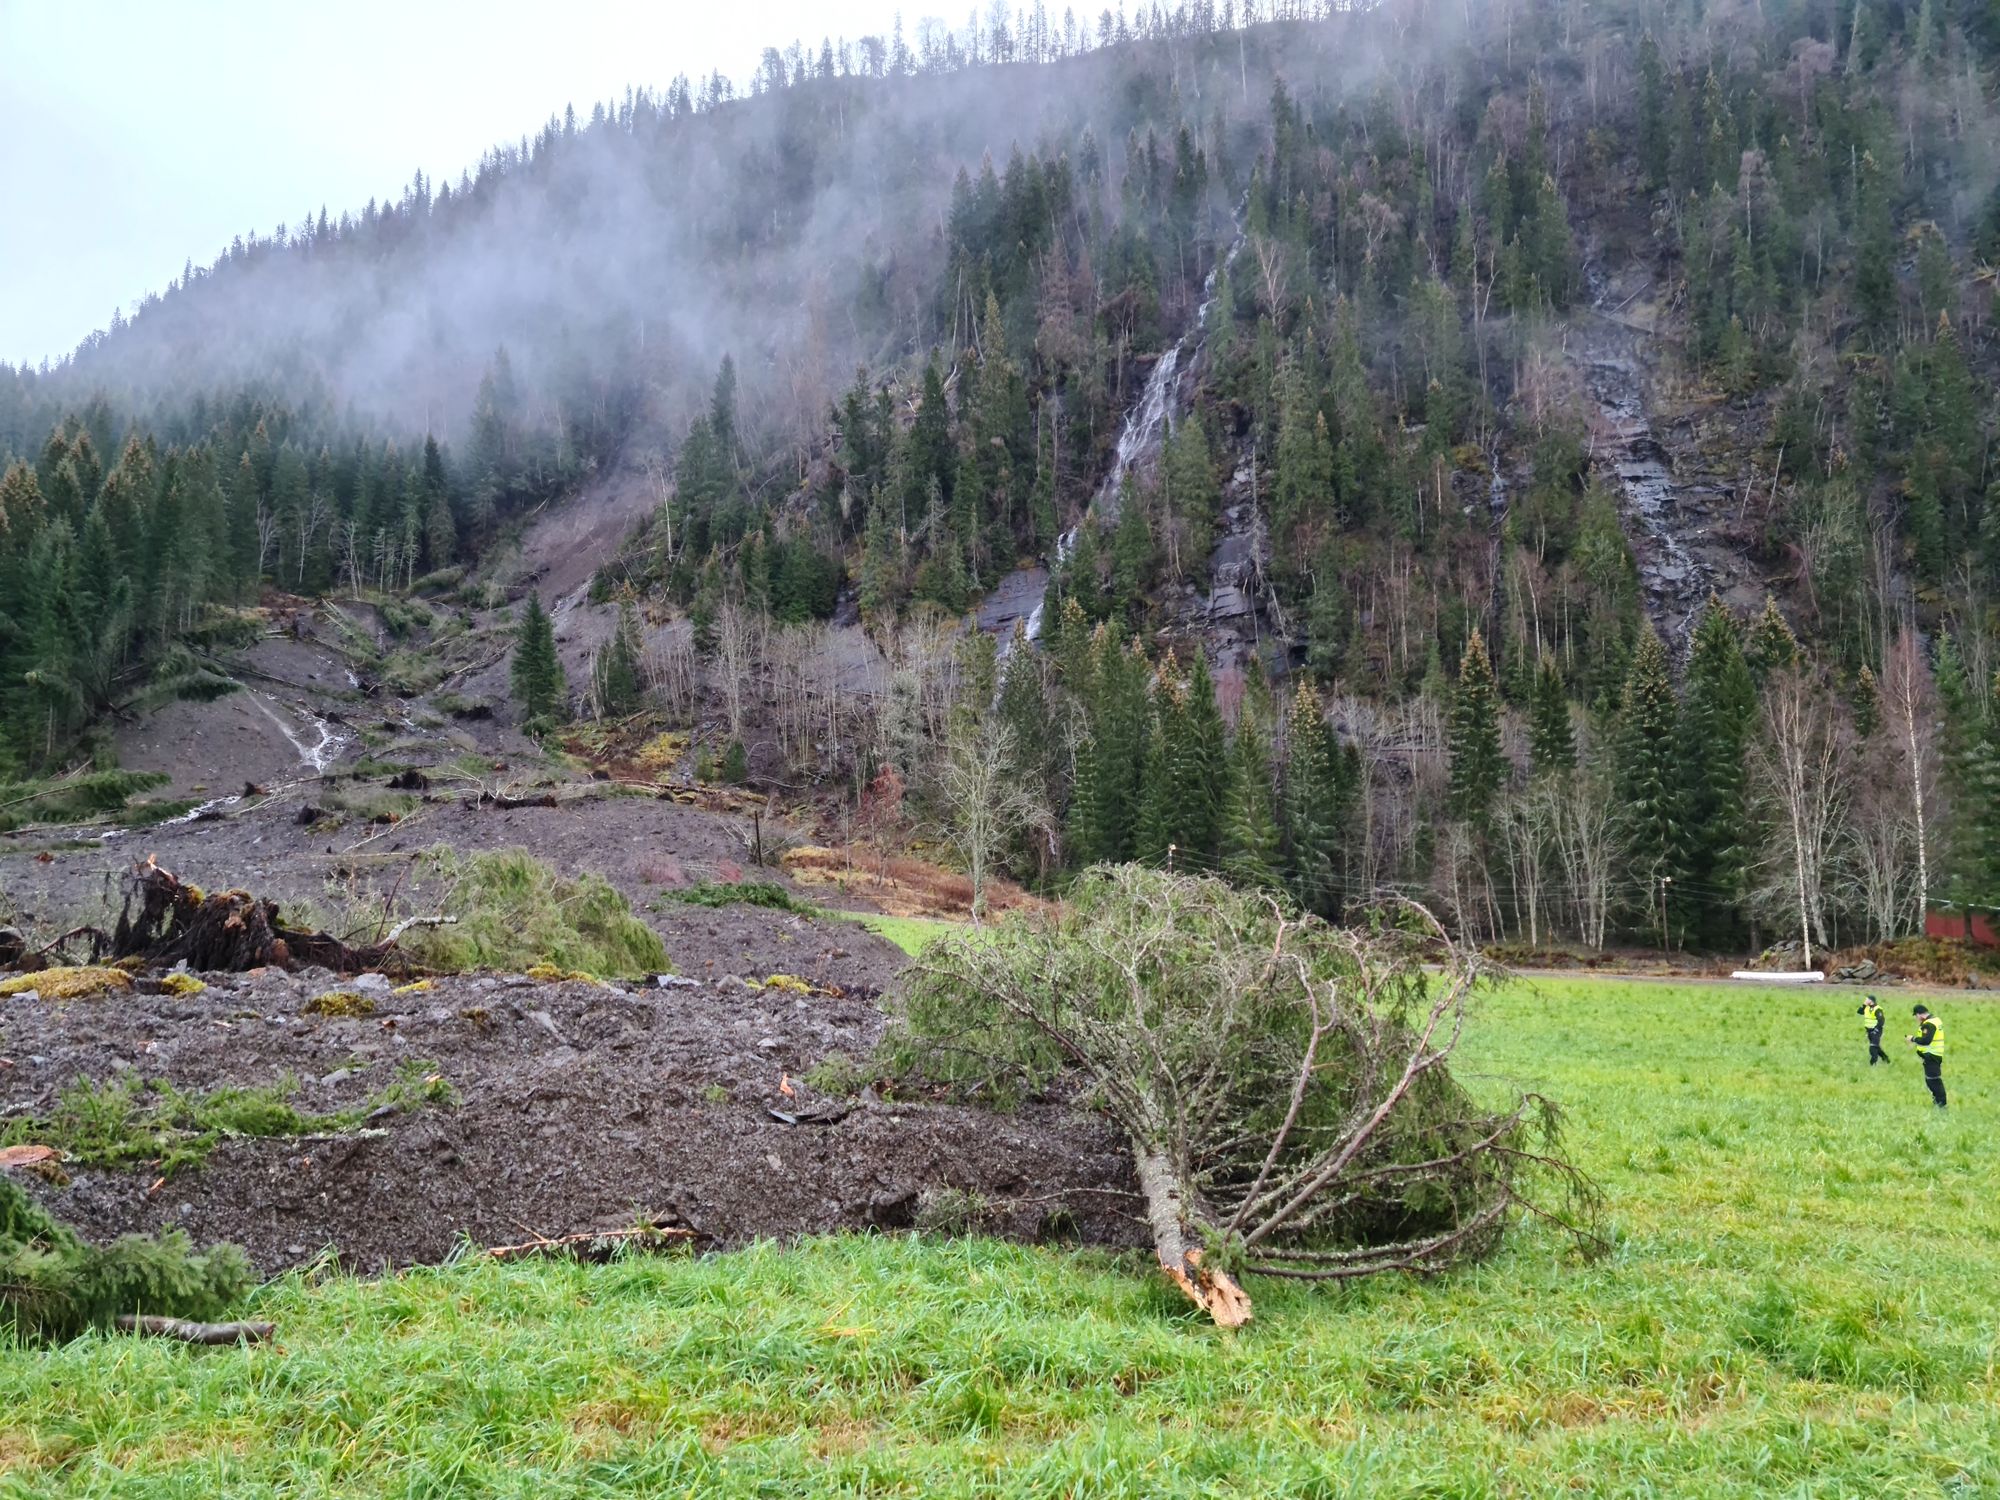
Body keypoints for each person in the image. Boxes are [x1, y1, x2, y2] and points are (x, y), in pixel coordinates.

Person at [1907, 1004, 1947, 1109]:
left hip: (1931, 1056)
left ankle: (1941, 1104)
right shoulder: (1936, 1020)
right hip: (1934, 1055)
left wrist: (1913, 1039)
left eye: (1916, 1016)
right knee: (1932, 1080)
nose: (1916, 1019)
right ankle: (1938, 1102)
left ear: (1920, 1015)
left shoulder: (1928, 1024)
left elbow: (1926, 1040)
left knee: (1933, 1080)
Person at [1858, 995, 1889, 1066]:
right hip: (1869, 1031)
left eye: (1867, 999)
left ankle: (1873, 1064)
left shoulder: (1878, 1009)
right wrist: (1864, 1005)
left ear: (1871, 1001)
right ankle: (1886, 1059)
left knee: (1872, 1047)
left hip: (1876, 1030)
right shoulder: (1866, 1007)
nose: (1865, 1000)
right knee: (1876, 1047)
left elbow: (1881, 1021)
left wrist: (1876, 1030)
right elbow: (1859, 1012)